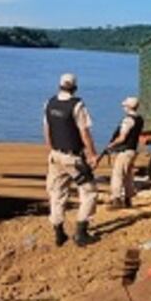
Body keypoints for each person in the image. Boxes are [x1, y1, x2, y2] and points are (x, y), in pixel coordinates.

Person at [43, 73, 99, 246]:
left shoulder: (49, 103)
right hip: (72, 158)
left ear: (59, 85)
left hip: (55, 156)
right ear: (75, 87)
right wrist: (92, 155)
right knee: (89, 191)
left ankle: (59, 232)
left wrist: (52, 151)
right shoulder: (77, 106)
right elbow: (84, 133)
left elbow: (47, 130)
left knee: (57, 194)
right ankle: (81, 232)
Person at [105, 97, 143, 210]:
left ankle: (116, 199)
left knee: (118, 174)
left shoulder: (128, 120)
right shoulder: (139, 119)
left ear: (128, 107)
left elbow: (122, 137)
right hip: (133, 150)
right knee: (128, 175)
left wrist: (111, 145)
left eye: (125, 106)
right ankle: (128, 199)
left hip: (125, 151)